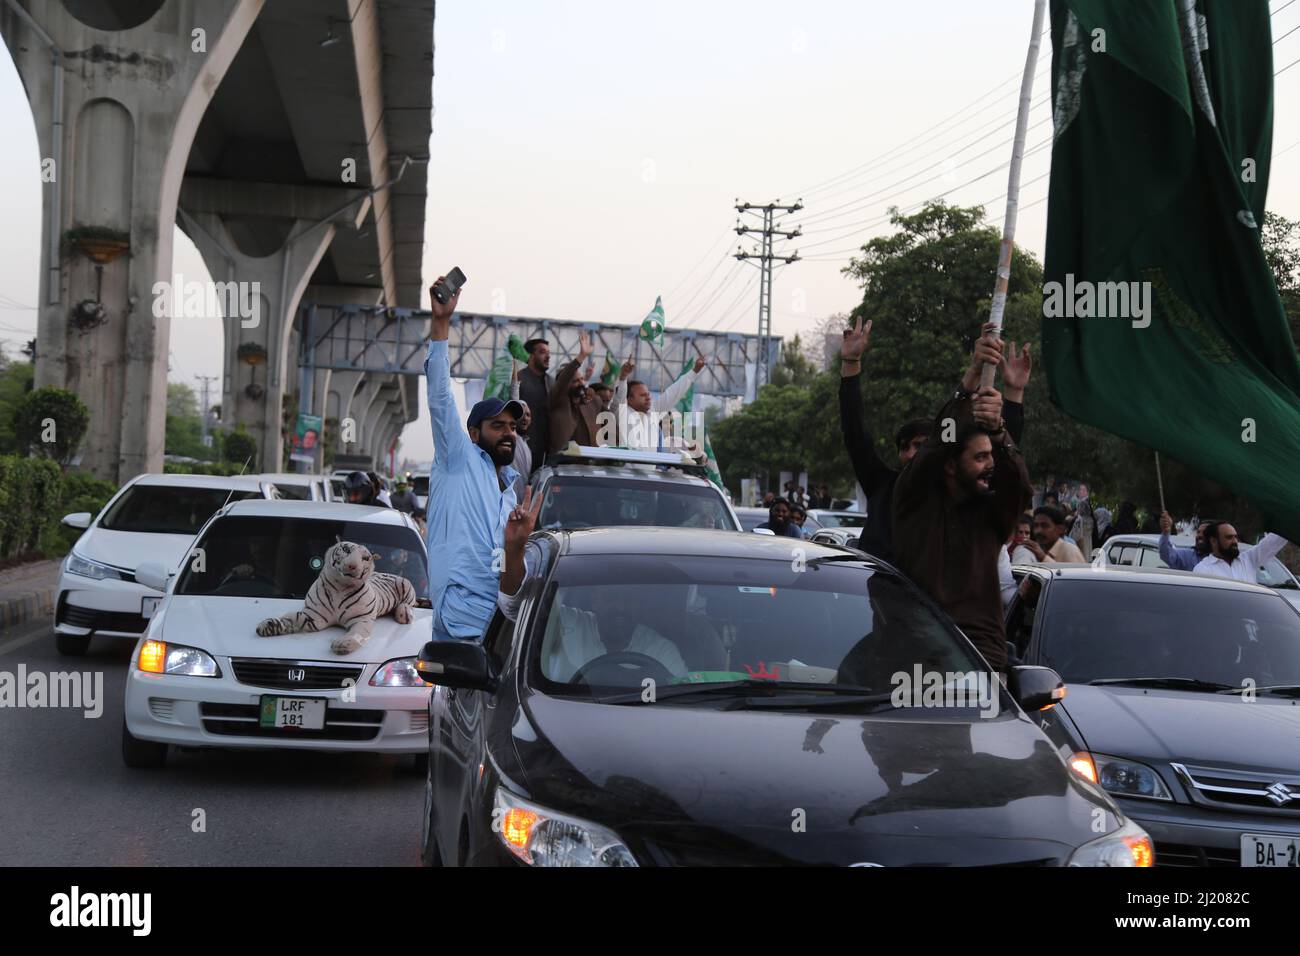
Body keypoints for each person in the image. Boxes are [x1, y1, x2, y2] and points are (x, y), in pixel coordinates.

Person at [839, 317, 1028, 562]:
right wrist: (850, 363)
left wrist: (1012, 393)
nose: (909, 454)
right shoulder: (882, 486)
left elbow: (1001, 460)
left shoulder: (953, 494)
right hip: (875, 596)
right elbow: (855, 433)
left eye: (919, 445)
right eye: (904, 447)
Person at [892, 383, 1032, 672]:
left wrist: (998, 431)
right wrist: (965, 389)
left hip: (982, 663)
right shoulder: (914, 507)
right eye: (980, 457)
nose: (990, 465)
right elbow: (936, 447)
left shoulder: (991, 517)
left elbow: (1017, 484)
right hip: (919, 665)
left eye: (991, 456)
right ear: (951, 466)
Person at [425, 275, 524, 642]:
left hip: (498, 623)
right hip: (460, 619)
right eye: (498, 425)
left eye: (513, 426)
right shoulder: (458, 458)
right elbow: (440, 398)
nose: (508, 433)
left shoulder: (511, 492)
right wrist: (441, 324)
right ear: (473, 432)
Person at [612, 353, 705, 451]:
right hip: (627, 466)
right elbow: (619, 396)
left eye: (648, 394)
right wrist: (623, 377)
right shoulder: (622, 412)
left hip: (651, 466)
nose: (648, 398)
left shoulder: (654, 411)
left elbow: (674, 392)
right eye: (643, 395)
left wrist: (694, 372)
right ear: (629, 399)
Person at [548, 332, 601, 453]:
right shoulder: (559, 401)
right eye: (575, 381)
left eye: (582, 379)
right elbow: (563, 380)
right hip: (563, 465)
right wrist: (581, 357)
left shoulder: (592, 403)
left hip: (588, 465)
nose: (581, 383)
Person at [1192, 523, 1290, 582]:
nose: (1235, 541)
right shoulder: (1203, 570)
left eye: (1236, 537)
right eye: (1229, 537)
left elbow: (1275, 541)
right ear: (1213, 541)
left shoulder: (1248, 560)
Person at [517, 338, 553, 473]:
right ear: (531, 356)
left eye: (549, 353)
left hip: (547, 453)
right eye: (543, 352)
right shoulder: (519, 379)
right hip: (523, 449)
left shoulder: (551, 382)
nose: (548, 356)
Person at [1022, 506, 1086, 563]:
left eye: (1045, 526)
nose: (1039, 531)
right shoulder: (1037, 549)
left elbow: (1073, 576)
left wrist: (1044, 558)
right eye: (1036, 525)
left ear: (1060, 529)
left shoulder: (1070, 550)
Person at [509, 367, 534, 502]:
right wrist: (514, 366)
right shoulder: (511, 438)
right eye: (522, 415)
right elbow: (514, 396)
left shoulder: (525, 445)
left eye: (528, 415)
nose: (525, 418)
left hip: (521, 505)